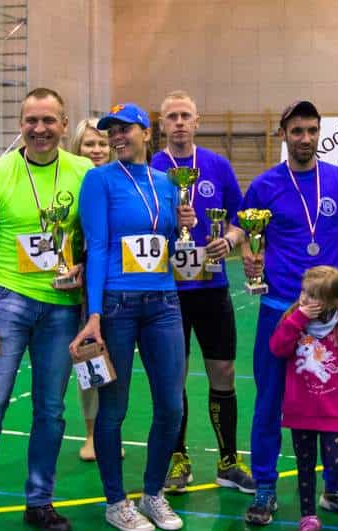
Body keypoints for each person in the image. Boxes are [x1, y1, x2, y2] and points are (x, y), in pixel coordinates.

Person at [0, 88, 92, 531]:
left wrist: (83, 267)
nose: (40, 129)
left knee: (51, 411)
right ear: (21, 124)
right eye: (31, 120)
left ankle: (39, 500)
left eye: (49, 120)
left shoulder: (83, 172)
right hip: (6, 302)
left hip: (60, 306)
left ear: (64, 124)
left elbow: (93, 239)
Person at [239, 100, 338, 526]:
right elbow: (250, 239)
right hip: (281, 309)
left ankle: (333, 487)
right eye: (297, 131)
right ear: (283, 134)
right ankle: (265, 487)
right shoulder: (264, 185)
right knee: (269, 400)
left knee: (332, 401)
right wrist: (249, 258)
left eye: (312, 130)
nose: (305, 138)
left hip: (333, 317)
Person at [68, 103, 196, 531]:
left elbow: (169, 244)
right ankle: (116, 502)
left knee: (172, 406)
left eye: (125, 129)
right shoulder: (99, 180)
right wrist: (94, 314)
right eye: (112, 132)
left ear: (146, 132)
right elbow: (98, 246)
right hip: (117, 304)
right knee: (114, 408)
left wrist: (185, 226)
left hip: (164, 302)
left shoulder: (168, 183)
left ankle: (153, 493)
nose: (117, 137)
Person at [150, 91, 255, 496]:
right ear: (162, 124)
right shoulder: (152, 169)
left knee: (223, 371)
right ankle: (178, 457)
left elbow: (240, 219)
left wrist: (229, 240)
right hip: (167, 290)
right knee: (173, 375)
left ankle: (228, 461)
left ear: (197, 121)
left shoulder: (217, 165)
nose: (179, 122)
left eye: (185, 116)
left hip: (211, 286)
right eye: (172, 116)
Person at [268, 267, 338, 531]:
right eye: (304, 292)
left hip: (334, 412)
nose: (305, 299)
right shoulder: (293, 319)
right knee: (304, 464)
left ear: (333, 302)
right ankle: (308, 516)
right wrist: (298, 318)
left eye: (313, 296)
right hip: (301, 409)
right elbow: (277, 348)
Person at [67, 117, 111, 461]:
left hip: (118, 284)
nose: (96, 150)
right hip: (80, 288)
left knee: (116, 361)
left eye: (102, 144)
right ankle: (92, 434)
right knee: (89, 359)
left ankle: (112, 431)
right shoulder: (69, 185)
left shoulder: (120, 182)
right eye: (89, 144)